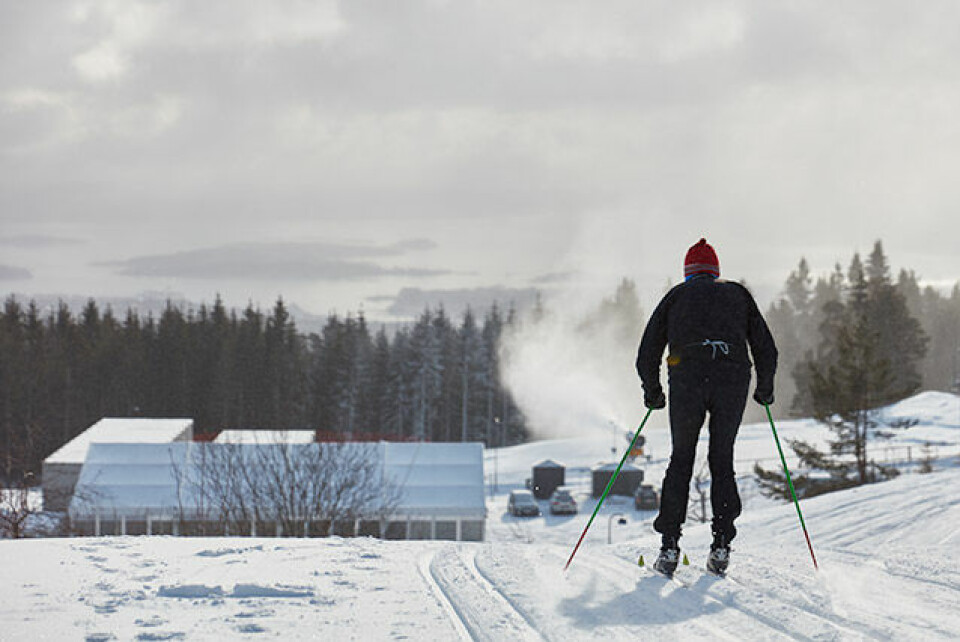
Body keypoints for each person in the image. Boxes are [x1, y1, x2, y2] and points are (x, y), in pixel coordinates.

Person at [636, 238, 777, 576]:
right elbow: (766, 348)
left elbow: (647, 353)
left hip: (687, 381)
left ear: (687, 272)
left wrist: (653, 392)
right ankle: (721, 545)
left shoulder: (675, 297)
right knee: (721, 459)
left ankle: (669, 546)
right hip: (732, 381)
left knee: (681, 460)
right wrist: (765, 389)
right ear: (715, 270)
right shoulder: (738, 294)